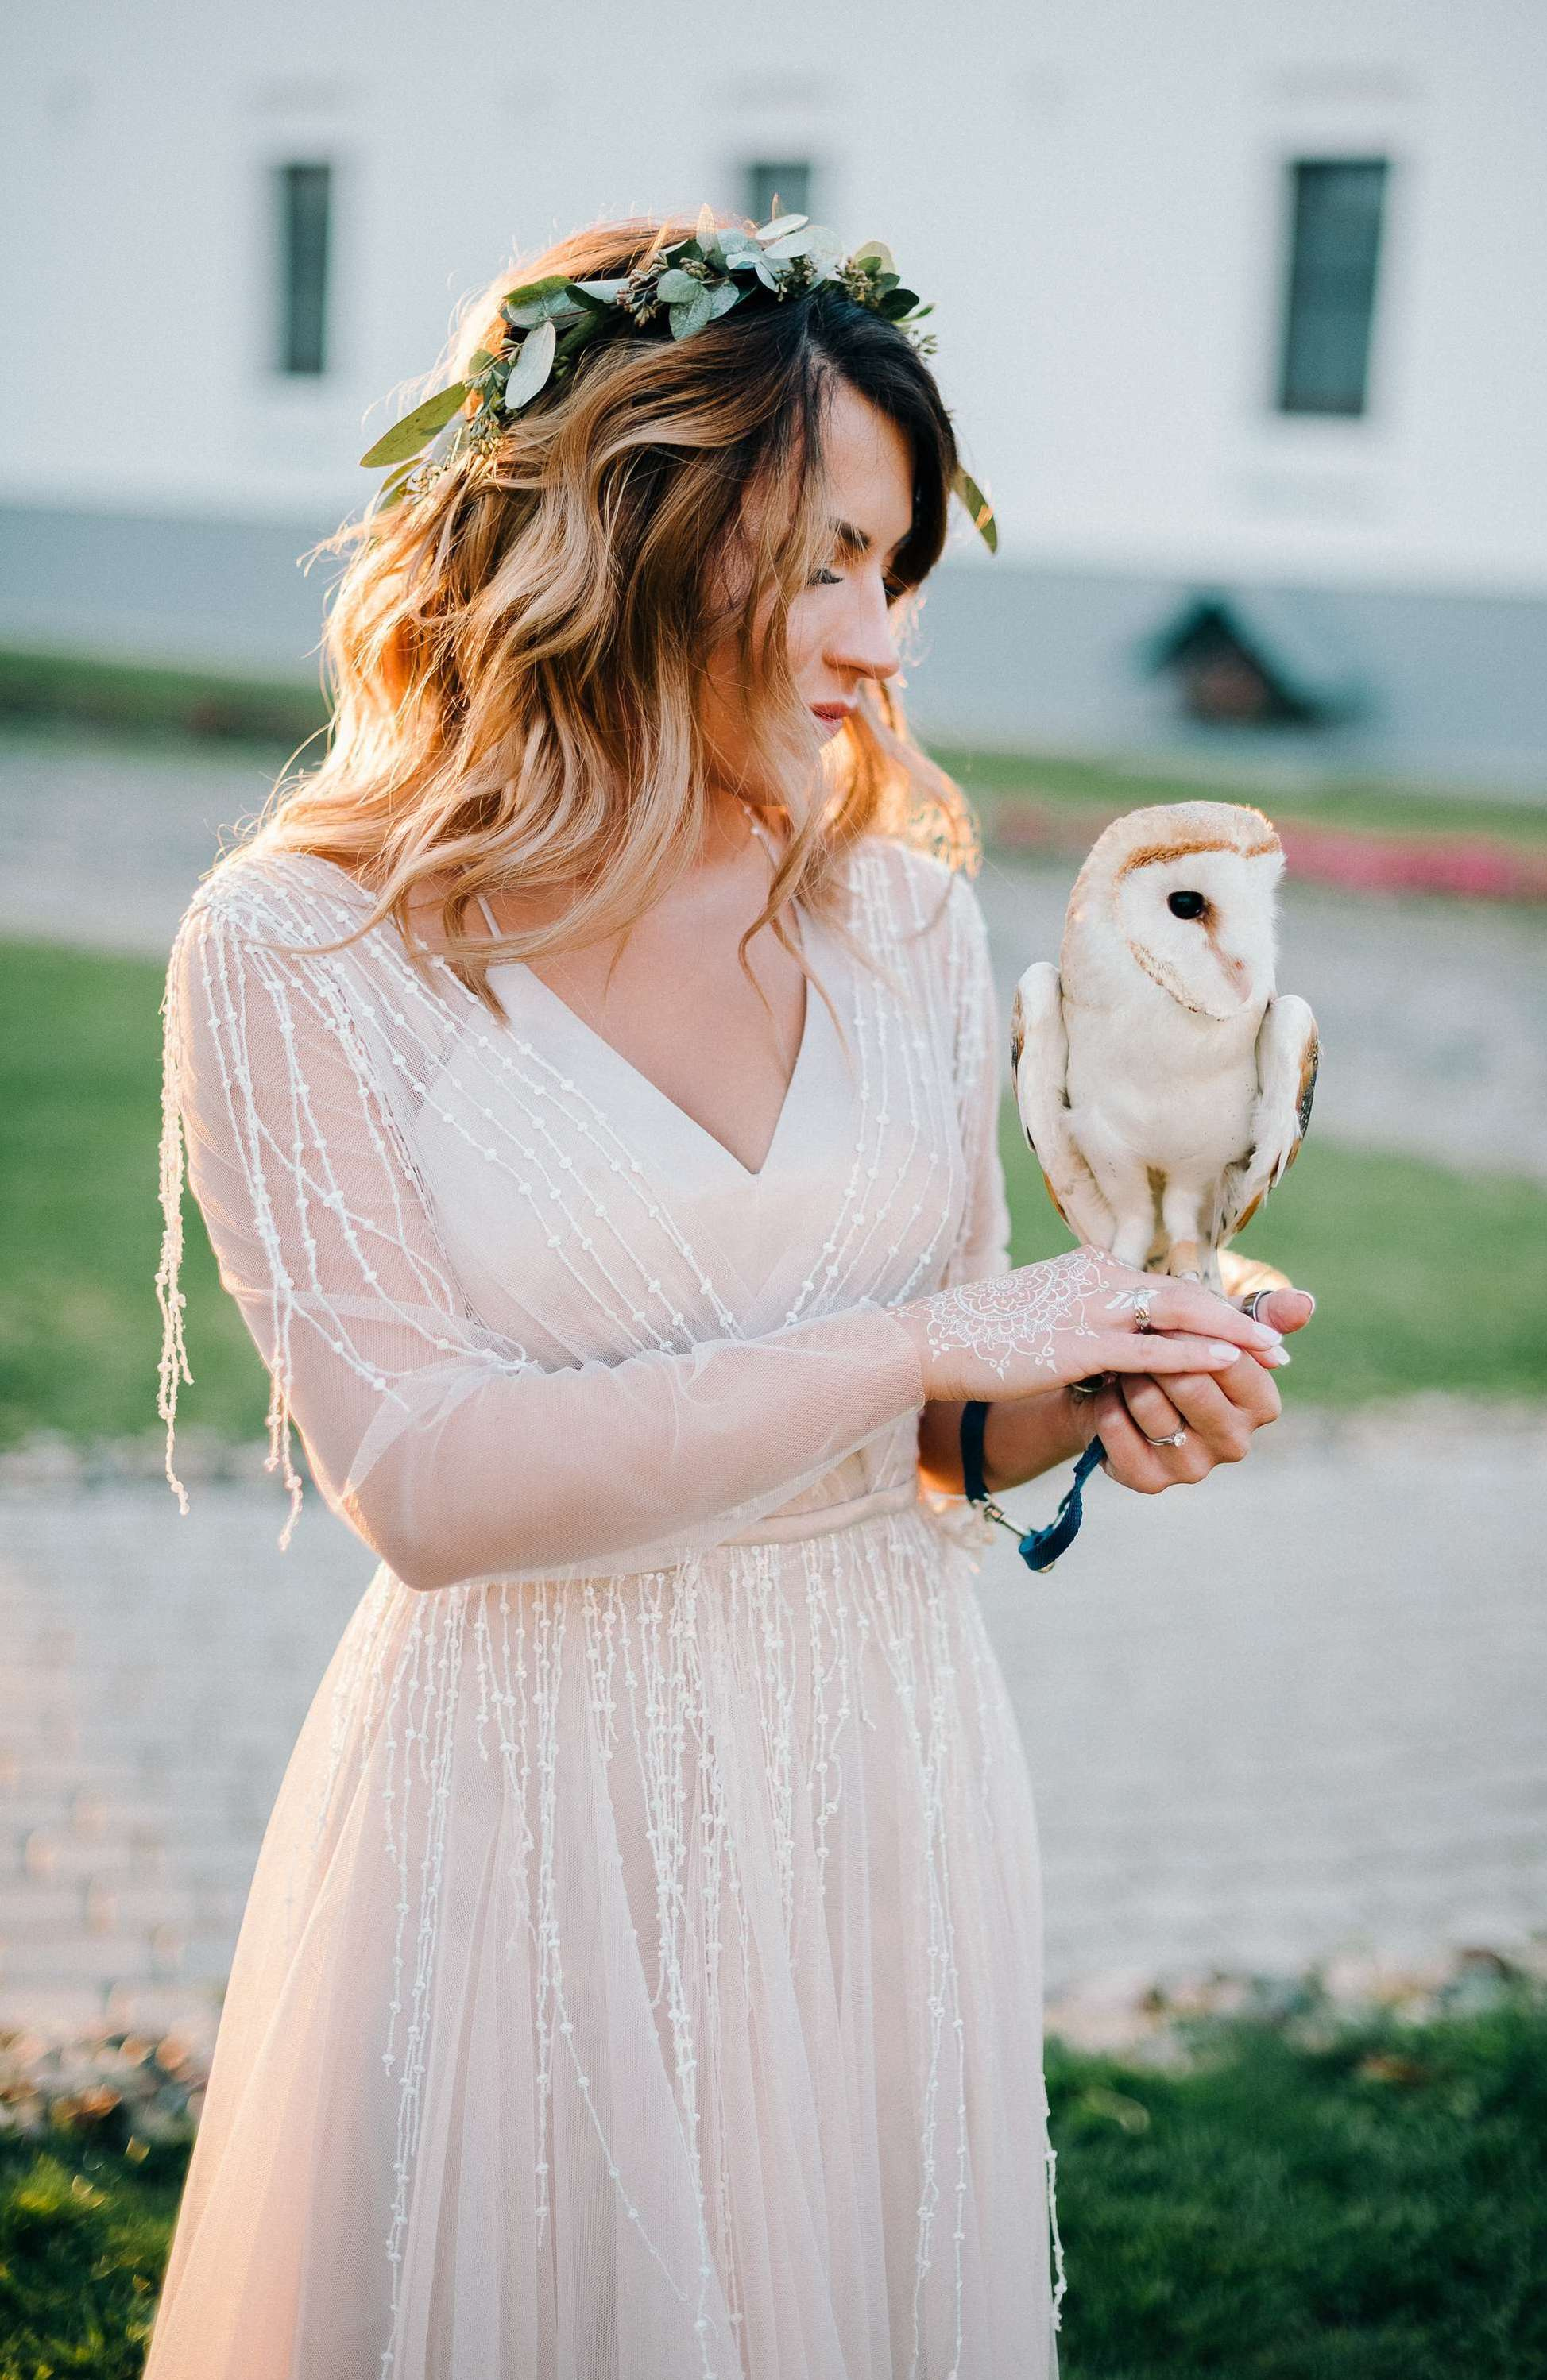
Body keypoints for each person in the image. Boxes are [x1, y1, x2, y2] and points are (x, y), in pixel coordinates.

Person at [145, 211, 1307, 2380]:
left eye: (905, 572)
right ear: (632, 542)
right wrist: (938, 1343)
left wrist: (1097, 1383)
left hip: (879, 1772)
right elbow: (429, 1479)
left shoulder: (897, 919)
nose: (881, 643)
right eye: (829, 564)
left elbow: (943, 1430)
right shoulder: (301, 950)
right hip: (529, 1812)